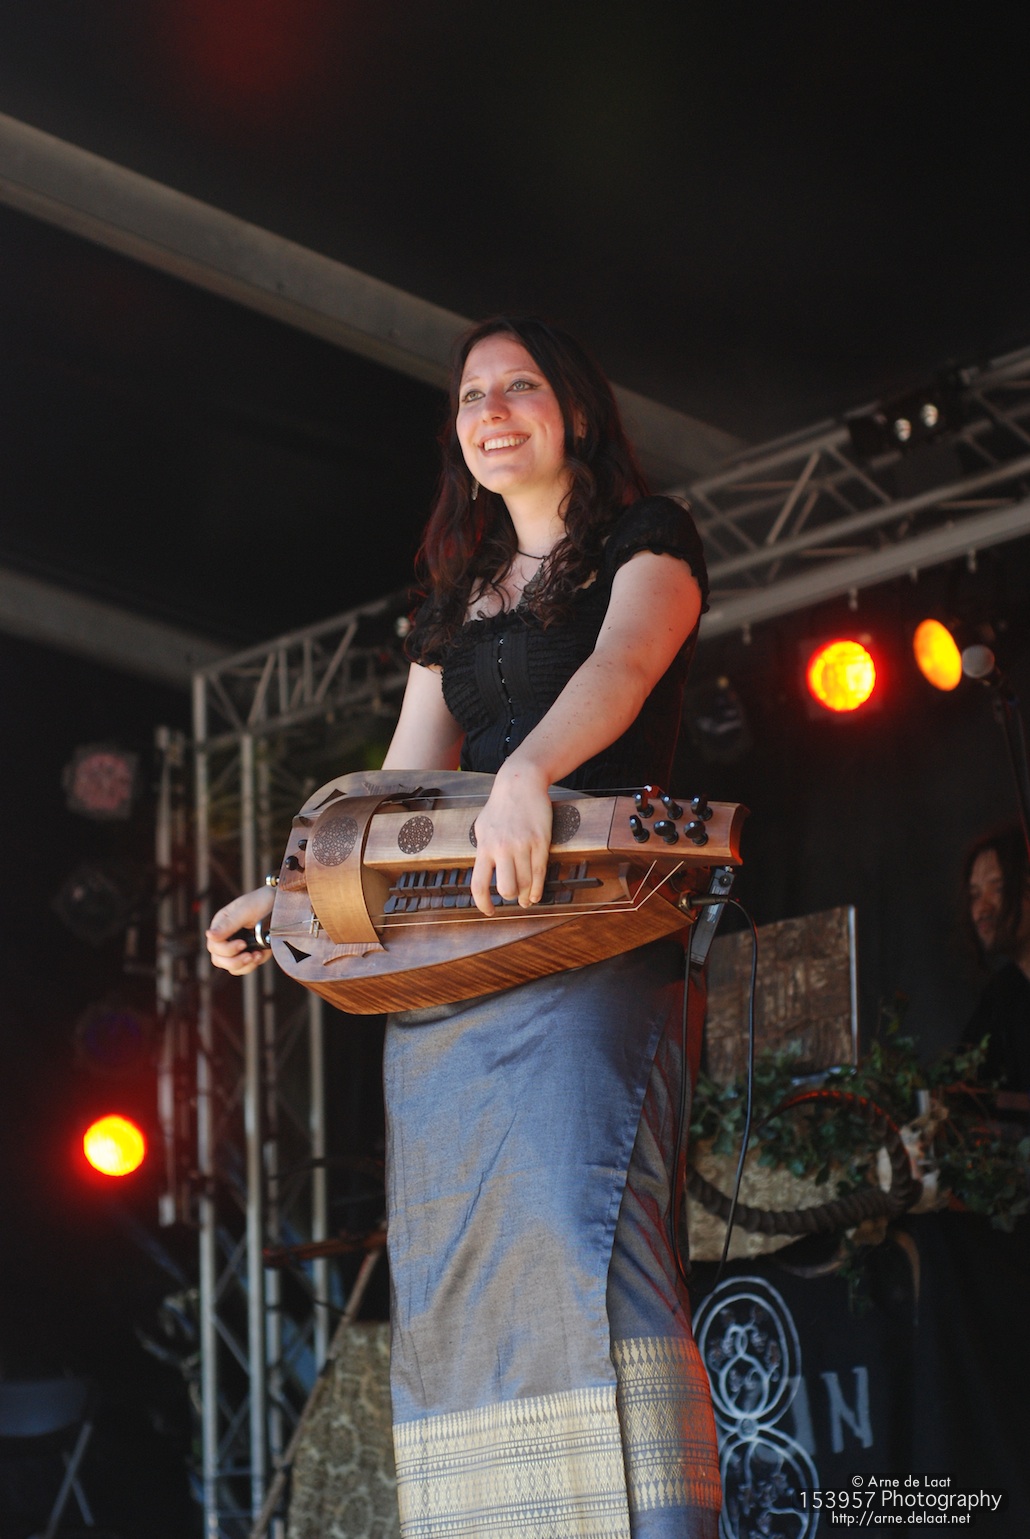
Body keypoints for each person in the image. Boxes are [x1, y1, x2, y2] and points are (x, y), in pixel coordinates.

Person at [207, 316, 722, 1538]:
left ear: (574, 413)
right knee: (458, 1267)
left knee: (588, 1236)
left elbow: (622, 670)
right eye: (471, 395)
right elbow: (398, 787)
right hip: (450, 970)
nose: (491, 411)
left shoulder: (648, 541)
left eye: (519, 387)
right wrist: (286, 890)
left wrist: (526, 774)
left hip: (594, 937)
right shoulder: (452, 601)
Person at [960, 825, 1030, 1097]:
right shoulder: (1002, 994)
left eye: (998, 889)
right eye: (975, 895)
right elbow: (965, 1082)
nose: (982, 909)